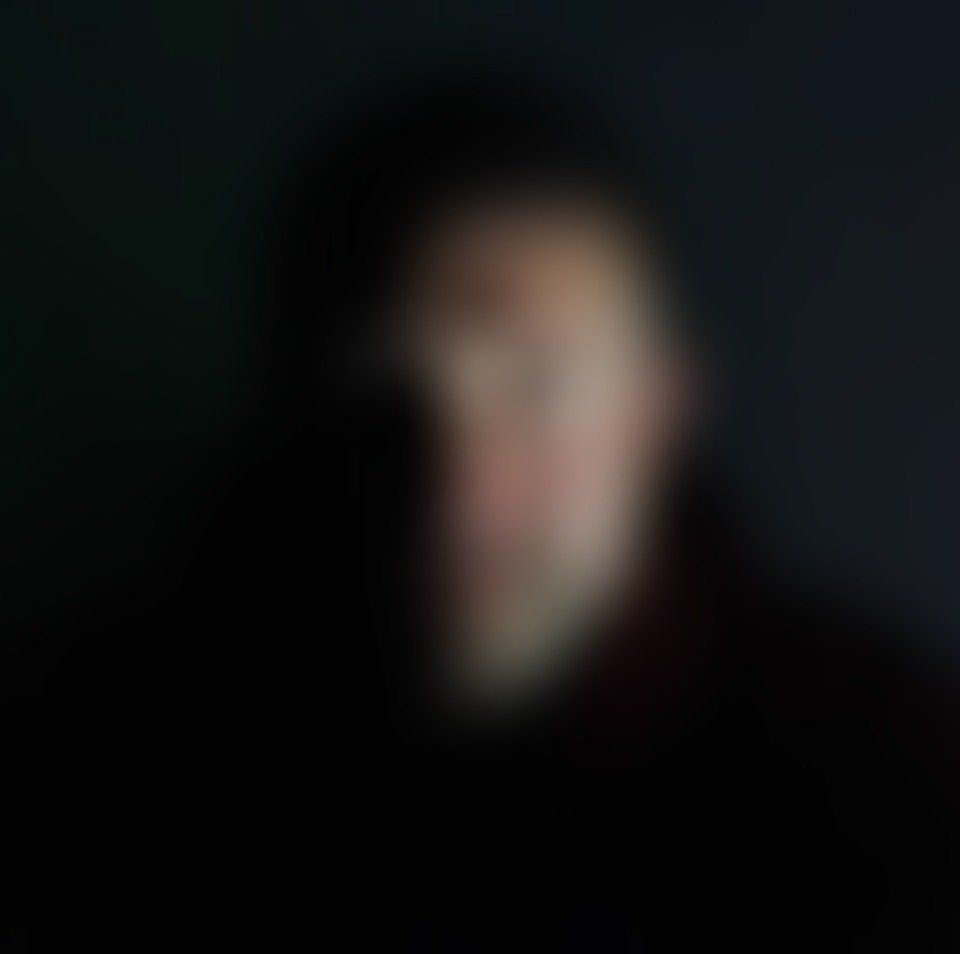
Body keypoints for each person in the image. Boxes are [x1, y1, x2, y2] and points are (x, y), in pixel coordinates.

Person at [1, 77, 956, 951]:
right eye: (382, 396)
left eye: (536, 389)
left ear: (658, 409)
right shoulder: (94, 757)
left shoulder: (882, 781)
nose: (459, 481)